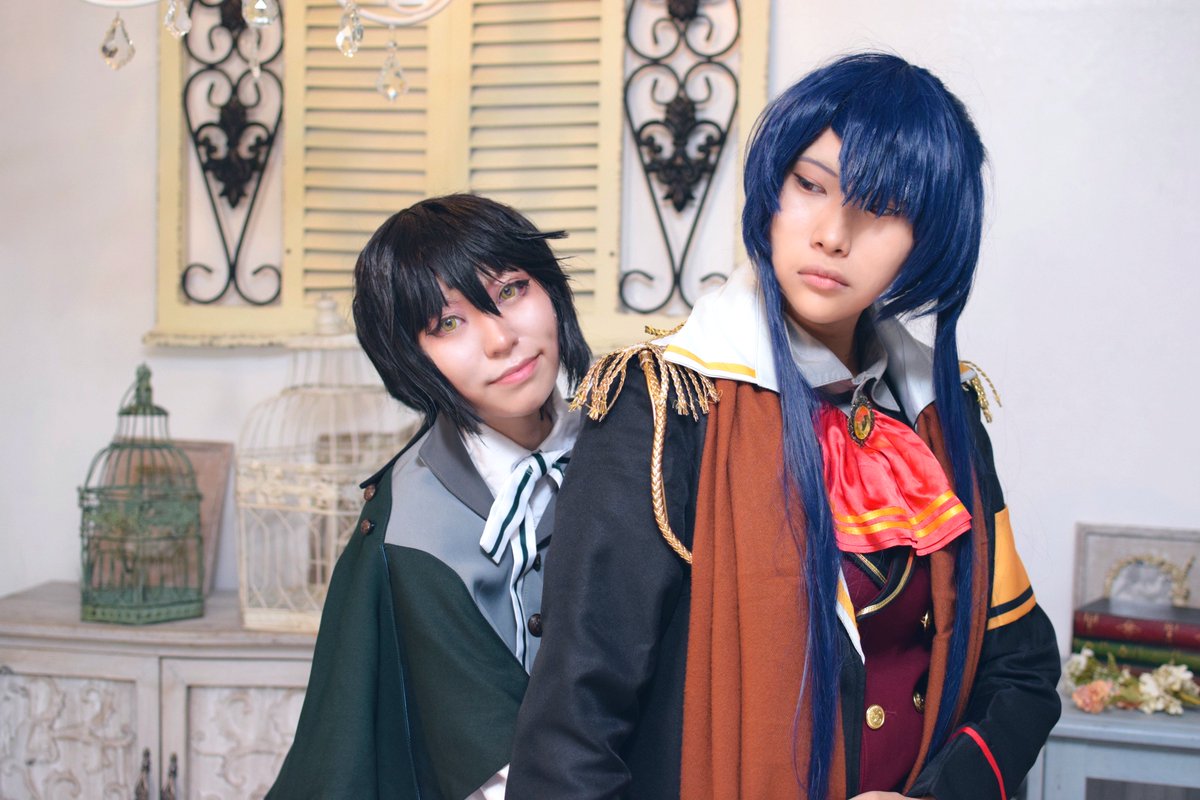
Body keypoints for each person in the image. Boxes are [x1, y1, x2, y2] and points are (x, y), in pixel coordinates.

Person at [507, 53, 1061, 800]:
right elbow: (574, 728)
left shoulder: (941, 414)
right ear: (771, 187)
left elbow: (1022, 671)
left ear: (928, 237)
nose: (833, 234)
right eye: (809, 185)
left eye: (883, 207)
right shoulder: (663, 406)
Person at [268, 193, 591, 800]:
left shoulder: (631, 452)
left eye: (512, 290)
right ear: (410, 358)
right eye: (448, 323)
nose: (501, 339)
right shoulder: (409, 531)